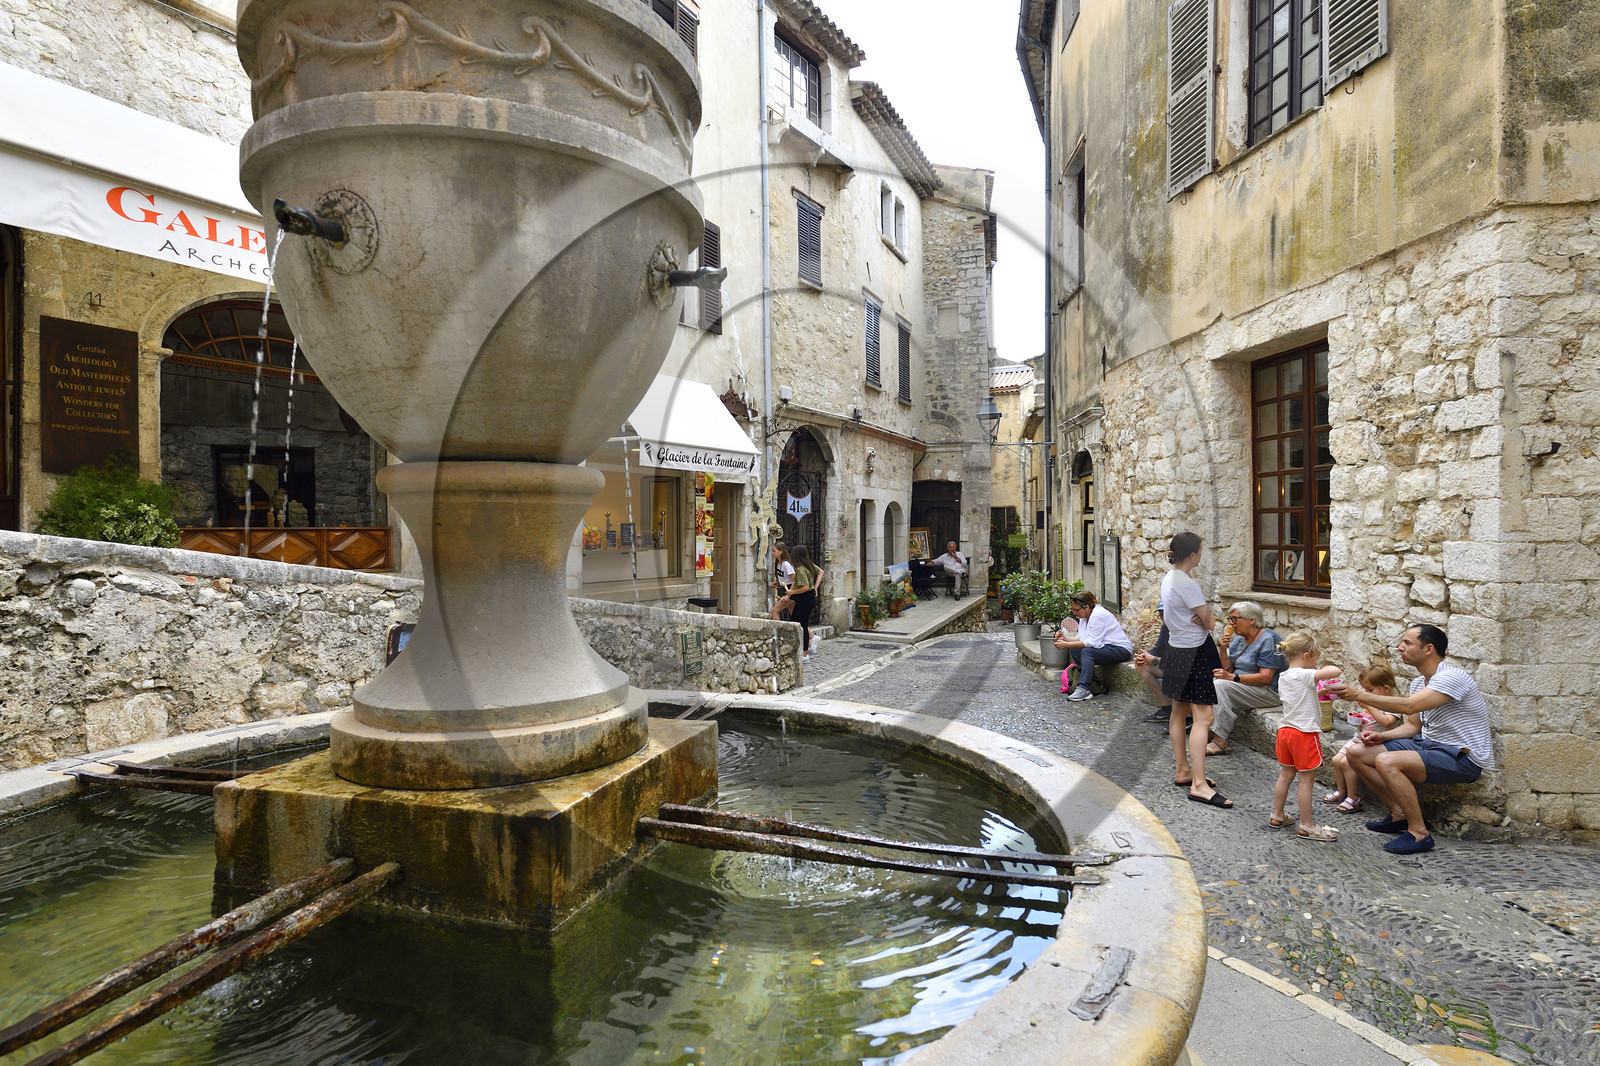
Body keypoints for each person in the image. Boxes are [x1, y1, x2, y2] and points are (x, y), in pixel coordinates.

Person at [1334, 624, 1498, 855]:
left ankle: (1419, 834)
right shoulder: (1419, 683)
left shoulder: (1451, 677)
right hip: (1427, 745)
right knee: (1356, 753)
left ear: (1428, 648)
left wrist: (1361, 695)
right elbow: (1412, 726)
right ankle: (1399, 813)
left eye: (1407, 643)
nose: (1400, 648)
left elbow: (1410, 706)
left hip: (1462, 757)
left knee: (1386, 761)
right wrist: (1383, 735)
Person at [1159, 532, 1230, 809]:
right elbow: (1211, 622)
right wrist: (1204, 618)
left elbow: (1166, 616)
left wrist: (1193, 620)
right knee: (1204, 717)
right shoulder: (1187, 583)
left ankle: (1183, 770)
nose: (1202, 554)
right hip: (1195, 651)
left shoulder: (1168, 578)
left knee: (1179, 710)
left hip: (1176, 649)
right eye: (1200, 550)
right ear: (1192, 555)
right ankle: (1199, 785)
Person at [1267, 632, 1342, 841]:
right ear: (1307, 655)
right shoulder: (1304, 674)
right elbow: (1336, 670)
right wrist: (1321, 670)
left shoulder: (1284, 676)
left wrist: (1318, 692)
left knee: (1285, 775)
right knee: (1306, 781)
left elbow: (1299, 698)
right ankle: (1307, 825)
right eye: (1316, 657)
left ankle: (1277, 815)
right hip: (1304, 734)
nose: (1317, 662)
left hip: (1285, 732)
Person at [1207, 601, 1287, 755]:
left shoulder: (1269, 639)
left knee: (1219, 686)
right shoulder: (1239, 639)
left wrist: (1231, 677)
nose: (1232, 623)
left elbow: (1265, 678)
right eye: (1230, 619)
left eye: (1235, 619)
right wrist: (1223, 650)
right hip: (1244, 686)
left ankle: (1220, 740)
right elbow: (1228, 670)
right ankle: (1208, 727)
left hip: (1269, 691)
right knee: (1211, 682)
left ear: (1252, 620)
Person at [1322, 663, 1401, 812]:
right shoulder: (1372, 702)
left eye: (1370, 690)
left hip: (1377, 743)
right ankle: (1342, 792)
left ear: (1385, 688)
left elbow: (1386, 722)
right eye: (1365, 689)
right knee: (1336, 760)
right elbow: (1369, 721)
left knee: (1346, 763)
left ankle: (1353, 798)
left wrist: (1371, 707)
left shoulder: (1393, 705)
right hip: (1359, 739)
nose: (1366, 693)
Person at [1054, 590, 1135, 701]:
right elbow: (1082, 638)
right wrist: (1065, 638)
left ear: (1086, 607)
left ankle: (1084, 689)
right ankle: (1093, 682)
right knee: (1076, 650)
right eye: (1072, 610)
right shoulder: (1084, 617)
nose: (1074, 613)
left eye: (1076, 610)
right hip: (1105, 647)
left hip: (1121, 649)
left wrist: (1066, 644)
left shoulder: (1098, 615)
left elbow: (1092, 643)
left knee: (1087, 651)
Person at [776, 544, 825, 662]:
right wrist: (816, 587)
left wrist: (791, 592)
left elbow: (805, 587)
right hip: (804, 598)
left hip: (805, 598)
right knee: (795, 621)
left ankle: (805, 653)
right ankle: (802, 647)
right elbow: (820, 573)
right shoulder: (807, 565)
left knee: (802, 624)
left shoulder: (800, 569)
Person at [769, 542, 795, 622]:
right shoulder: (778, 564)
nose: (772, 553)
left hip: (790, 590)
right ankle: (809, 635)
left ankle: (777, 633)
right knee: (794, 615)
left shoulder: (786, 564)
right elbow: (785, 577)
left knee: (775, 611)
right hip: (786, 589)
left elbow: (795, 580)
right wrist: (777, 582)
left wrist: (788, 595)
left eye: (774, 551)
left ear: (781, 552)